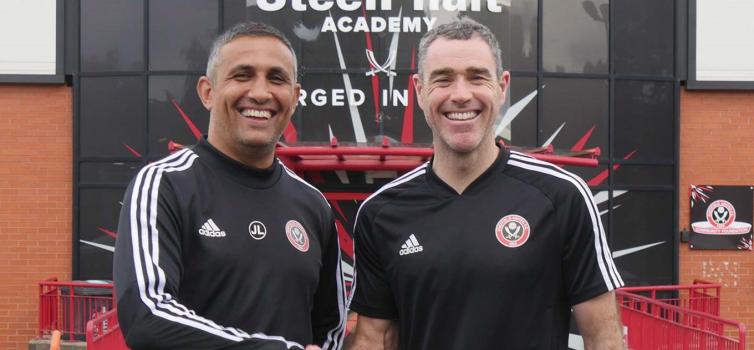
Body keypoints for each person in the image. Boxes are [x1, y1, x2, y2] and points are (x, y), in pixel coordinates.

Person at [346, 19, 625, 349]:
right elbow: (375, 338)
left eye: (477, 77)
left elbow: (603, 338)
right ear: (419, 91)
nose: (461, 95)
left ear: (502, 86)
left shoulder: (563, 197)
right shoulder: (381, 212)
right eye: (443, 79)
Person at [113, 22, 346, 350]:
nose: (261, 93)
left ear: (294, 98)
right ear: (208, 92)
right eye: (242, 75)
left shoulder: (314, 205)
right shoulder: (164, 185)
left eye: (276, 78)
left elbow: (330, 332)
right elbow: (147, 315)